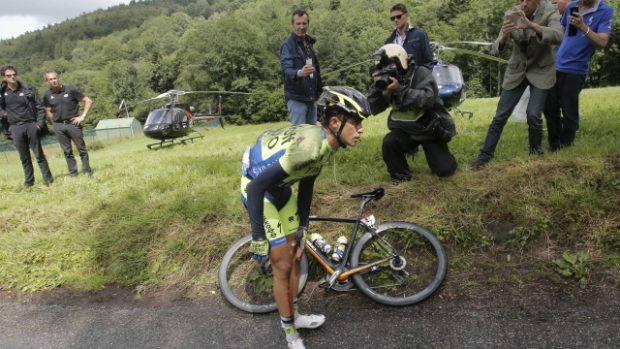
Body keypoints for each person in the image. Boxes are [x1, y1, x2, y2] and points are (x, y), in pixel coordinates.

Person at [241, 86, 371, 349]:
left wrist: (301, 226)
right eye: (356, 123)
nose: (360, 130)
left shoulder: (325, 145)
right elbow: (256, 188)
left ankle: (295, 316)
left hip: (281, 189)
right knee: (282, 264)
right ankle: (290, 333)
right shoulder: (310, 147)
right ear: (336, 122)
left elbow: (307, 185)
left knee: (295, 254)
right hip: (259, 190)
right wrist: (257, 238)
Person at [468, 0, 562, 171]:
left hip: (541, 70)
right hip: (517, 70)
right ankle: (483, 158)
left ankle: (535, 155)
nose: (524, 4)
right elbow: (496, 49)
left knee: (533, 115)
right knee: (500, 116)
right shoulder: (512, 14)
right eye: (521, 0)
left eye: (528, 0)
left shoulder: (550, 11)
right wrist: (504, 35)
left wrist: (532, 25)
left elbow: (558, 36)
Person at [367, 44, 457, 184]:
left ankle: (442, 159)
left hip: (428, 129)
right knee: (389, 142)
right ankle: (401, 179)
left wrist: (400, 90)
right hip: (405, 130)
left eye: (390, 65)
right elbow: (373, 108)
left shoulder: (420, 73)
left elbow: (427, 100)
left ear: (401, 61)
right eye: (383, 67)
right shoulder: (387, 83)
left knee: (445, 170)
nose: (387, 70)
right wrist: (376, 88)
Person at [543, 0, 614, 151]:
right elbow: (562, 31)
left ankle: (566, 144)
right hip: (556, 65)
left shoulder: (605, 11)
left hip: (575, 69)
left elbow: (602, 41)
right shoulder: (572, 6)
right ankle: (554, 144)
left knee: (569, 110)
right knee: (549, 106)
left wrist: (583, 27)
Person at [0, 65, 54, 187]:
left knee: (39, 155)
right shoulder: (2, 93)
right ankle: (29, 183)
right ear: (4, 78)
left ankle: (49, 181)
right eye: (9, 75)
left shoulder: (27, 89)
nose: (12, 77)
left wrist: (39, 124)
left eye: (14, 74)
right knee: (24, 158)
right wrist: (3, 114)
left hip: (31, 125)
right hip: (15, 127)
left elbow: (39, 107)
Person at [43, 70, 93, 177]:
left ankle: (87, 171)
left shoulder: (70, 90)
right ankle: (73, 173)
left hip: (73, 124)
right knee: (67, 152)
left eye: (55, 78)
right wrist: (54, 123)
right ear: (47, 81)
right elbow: (48, 110)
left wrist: (82, 116)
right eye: (50, 79)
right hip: (59, 126)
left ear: (58, 78)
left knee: (82, 149)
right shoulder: (47, 95)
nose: (54, 81)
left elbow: (88, 100)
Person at [279, 9, 322, 126]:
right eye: (298, 23)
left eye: (304, 23)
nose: (301, 27)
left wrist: (320, 92)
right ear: (292, 25)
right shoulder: (287, 46)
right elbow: (286, 71)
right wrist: (300, 73)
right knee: (299, 137)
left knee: (312, 136)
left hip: (311, 98)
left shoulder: (309, 44)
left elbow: (315, 70)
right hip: (296, 99)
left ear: (308, 24)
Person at [385, 3, 435, 69]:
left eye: (398, 16)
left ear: (406, 15)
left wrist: (420, 77)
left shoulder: (420, 34)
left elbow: (429, 63)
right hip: (396, 78)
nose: (395, 20)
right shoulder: (389, 42)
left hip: (416, 78)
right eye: (393, 18)